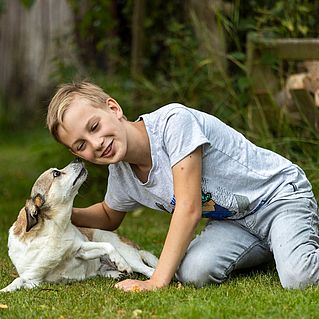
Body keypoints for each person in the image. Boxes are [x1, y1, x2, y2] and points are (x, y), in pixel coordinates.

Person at [46, 81, 319, 292]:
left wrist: (156, 282)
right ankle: (280, 246)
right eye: (81, 145)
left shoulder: (173, 124)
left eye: (94, 127)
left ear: (114, 109)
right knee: (193, 273)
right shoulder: (121, 174)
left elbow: (188, 209)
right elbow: (108, 216)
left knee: (298, 277)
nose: (96, 144)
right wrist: (57, 213)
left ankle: (290, 243)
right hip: (236, 223)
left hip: (277, 197)